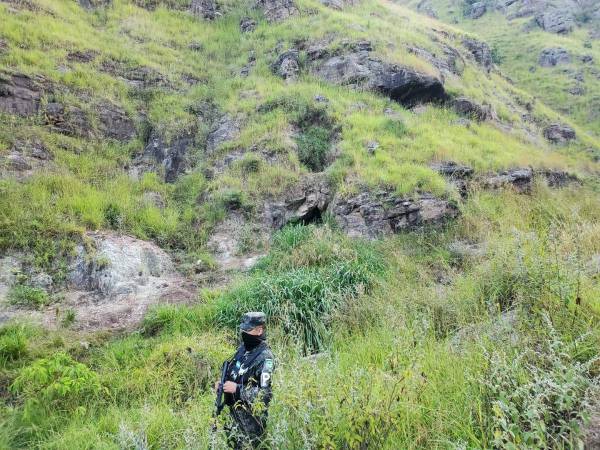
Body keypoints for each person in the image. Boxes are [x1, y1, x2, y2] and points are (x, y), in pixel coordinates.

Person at [215, 312, 275, 449]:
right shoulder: (242, 349)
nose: (244, 333)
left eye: (248, 330)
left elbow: (265, 394)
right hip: (232, 417)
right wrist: (222, 384)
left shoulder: (265, 358)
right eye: (243, 329)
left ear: (260, 330)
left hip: (251, 424)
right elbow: (234, 373)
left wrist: (237, 389)